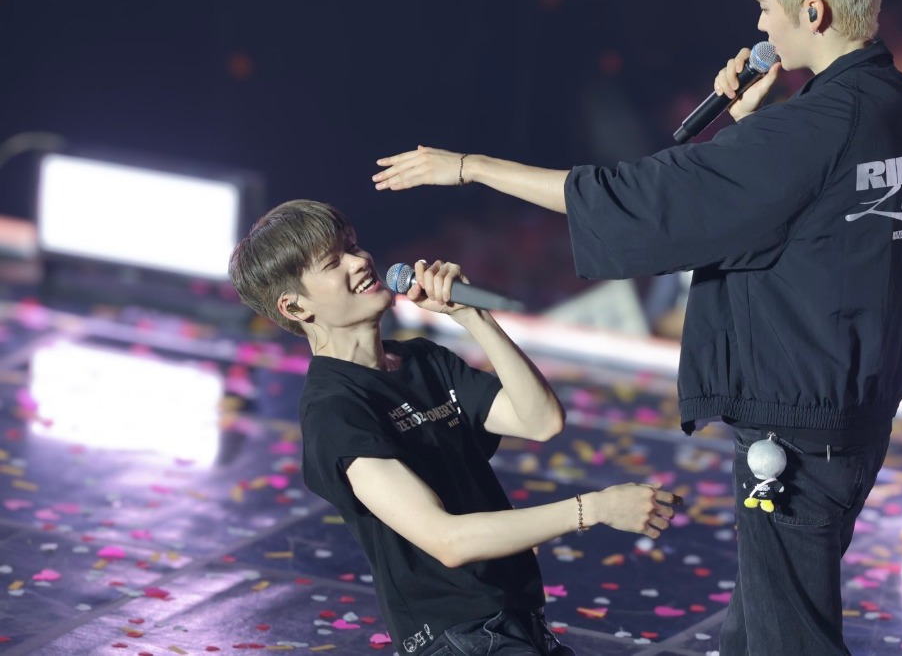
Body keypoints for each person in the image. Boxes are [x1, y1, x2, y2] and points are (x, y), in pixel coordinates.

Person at [371, 0, 902, 656]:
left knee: (789, 638)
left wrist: (472, 167)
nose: (760, 23)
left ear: (813, 12)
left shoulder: (811, 130)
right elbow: (812, 212)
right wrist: (753, 121)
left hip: (798, 435)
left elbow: (647, 199)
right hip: (857, 417)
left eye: (766, 6)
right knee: (763, 625)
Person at [227, 199, 680, 656]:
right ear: (295, 306)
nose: (359, 261)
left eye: (353, 246)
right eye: (333, 262)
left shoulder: (424, 360)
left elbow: (541, 420)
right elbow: (447, 540)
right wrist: (593, 509)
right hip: (457, 638)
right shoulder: (335, 409)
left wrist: (472, 317)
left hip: (517, 620)